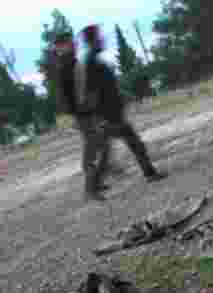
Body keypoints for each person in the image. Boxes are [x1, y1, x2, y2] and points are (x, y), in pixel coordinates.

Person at [75, 24, 164, 197]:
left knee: (111, 152)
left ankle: (93, 187)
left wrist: (124, 95)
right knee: (132, 145)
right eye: (99, 37)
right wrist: (99, 118)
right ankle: (149, 173)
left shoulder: (95, 61)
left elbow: (108, 88)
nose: (103, 40)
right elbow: (91, 93)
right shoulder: (91, 63)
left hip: (111, 114)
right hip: (108, 116)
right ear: (93, 40)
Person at [51, 30, 108, 201]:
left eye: (73, 42)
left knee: (97, 144)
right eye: (69, 43)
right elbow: (69, 94)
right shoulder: (65, 65)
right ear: (61, 47)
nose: (74, 44)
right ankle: (90, 189)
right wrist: (77, 112)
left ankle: (94, 183)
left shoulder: (72, 61)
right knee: (91, 148)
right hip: (81, 113)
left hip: (86, 111)